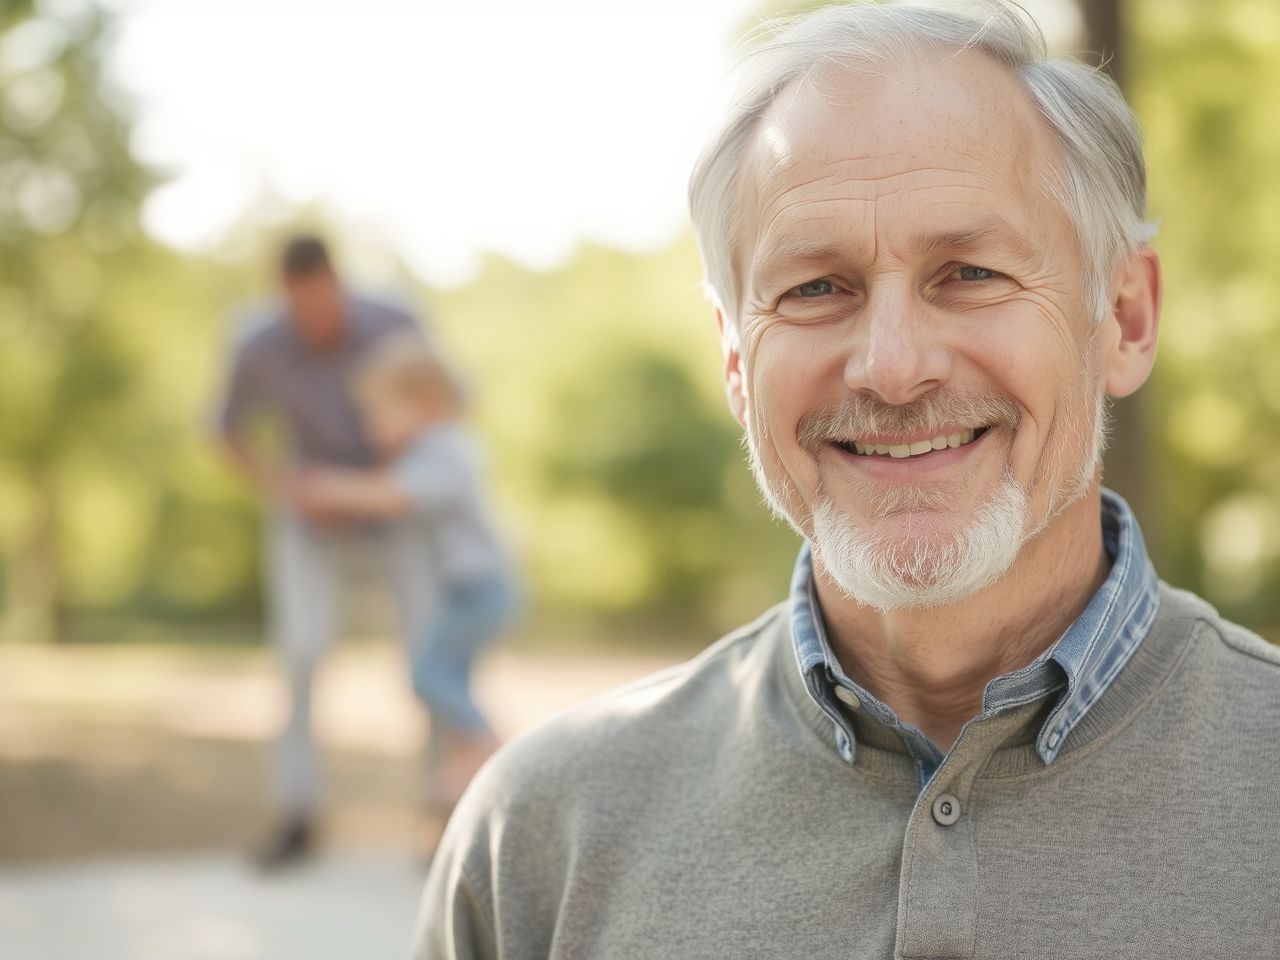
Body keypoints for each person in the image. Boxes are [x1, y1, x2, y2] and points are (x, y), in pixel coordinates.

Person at [413, 3, 1280, 957]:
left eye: (971, 272)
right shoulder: (542, 834)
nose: (893, 366)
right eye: (815, 288)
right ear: (736, 362)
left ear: (1123, 318)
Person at [216, 235, 434, 868]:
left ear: (337, 283)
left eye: (319, 302)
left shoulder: (396, 322)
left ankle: (438, 814)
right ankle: (298, 814)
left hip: (392, 507)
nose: (310, 317)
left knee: (429, 655)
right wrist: (285, 486)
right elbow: (225, 430)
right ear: (280, 293)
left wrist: (390, 465)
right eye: (296, 305)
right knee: (302, 652)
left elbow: (442, 403)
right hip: (310, 515)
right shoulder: (255, 340)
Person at [293, 334, 517, 854]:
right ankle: (468, 773)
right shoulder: (435, 448)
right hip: (471, 589)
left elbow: (390, 497)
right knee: (447, 682)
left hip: (481, 589)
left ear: (424, 404)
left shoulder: (447, 449)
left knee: (428, 674)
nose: (370, 427)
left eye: (377, 412)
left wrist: (323, 487)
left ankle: (490, 753)